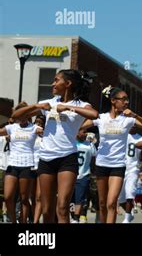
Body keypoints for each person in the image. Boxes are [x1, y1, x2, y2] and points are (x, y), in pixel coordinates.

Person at [11, 70, 99, 223]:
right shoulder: (49, 103)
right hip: (46, 158)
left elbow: (94, 114)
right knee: (47, 210)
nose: (52, 83)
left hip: (67, 159)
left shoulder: (81, 104)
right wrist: (37, 106)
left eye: (56, 80)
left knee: (63, 207)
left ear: (68, 84)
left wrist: (67, 108)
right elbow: (16, 116)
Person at [80, 86, 142, 223]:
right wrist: (81, 132)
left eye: (127, 100)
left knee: (111, 202)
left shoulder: (128, 120)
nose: (126, 102)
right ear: (113, 101)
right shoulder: (101, 118)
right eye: (123, 99)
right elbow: (82, 126)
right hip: (101, 164)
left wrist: (134, 115)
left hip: (118, 165)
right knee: (102, 203)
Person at [0, 102, 42, 223]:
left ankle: (23, 221)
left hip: (27, 166)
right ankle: (14, 221)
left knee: (24, 199)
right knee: (8, 197)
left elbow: (48, 135)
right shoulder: (11, 128)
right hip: (12, 164)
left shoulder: (34, 128)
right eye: (20, 114)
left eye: (25, 114)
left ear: (29, 115)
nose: (22, 117)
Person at [118, 127, 142, 223]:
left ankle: (126, 218)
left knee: (130, 193)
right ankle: (129, 213)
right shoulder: (122, 135)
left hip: (134, 168)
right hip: (121, 167)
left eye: (135, 124)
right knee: (120, 198)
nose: (133, 125)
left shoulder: (141, 139)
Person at [71, 130, 97, 223]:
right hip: (71, 174)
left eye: (85, 132)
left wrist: (93, 173)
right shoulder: (71, 142)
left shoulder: (89, 144)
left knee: (80, 198)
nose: (84, 134)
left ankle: (76, 218)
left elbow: (94, 158)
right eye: (82, 131)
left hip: (84, 173)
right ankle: (72, 215)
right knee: (70, 198)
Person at [31, 115, 45, 223]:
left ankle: (35, 221)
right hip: (29, 167)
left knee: (39, 197)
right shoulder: (30, 133)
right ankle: (30, 218)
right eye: (36, 122)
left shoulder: (46, 136)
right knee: (30, 197)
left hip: (41, 167)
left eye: (40, 122)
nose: (38, 124)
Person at [0, 122, 10, 222]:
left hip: (10, 168)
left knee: (7, 194)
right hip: (1, 166)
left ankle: (5, 213)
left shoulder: (13, 139)